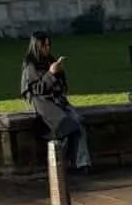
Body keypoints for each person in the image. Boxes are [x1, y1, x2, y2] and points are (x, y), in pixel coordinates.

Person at [20, 31, 90, 171]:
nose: (47, 48)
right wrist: (51, 74)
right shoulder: (31, 65)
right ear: (37, 46)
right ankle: (59, 165)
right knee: (65, 125)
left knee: (78, 121)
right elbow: (36, 90)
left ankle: (83, 163)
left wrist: (59, 74)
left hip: (57, 101)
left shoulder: (49, 60)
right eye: (44, 46)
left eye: (48, 45)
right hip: (43, 104)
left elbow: (61, 86)